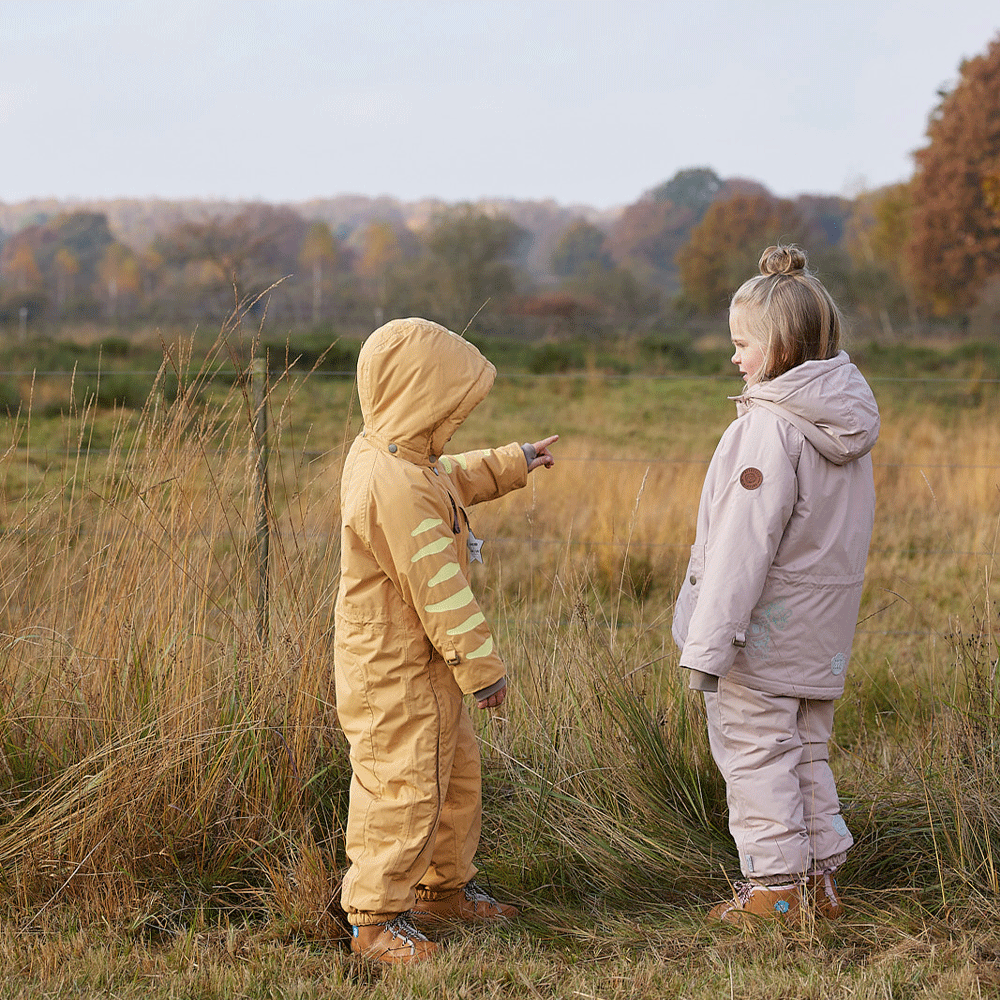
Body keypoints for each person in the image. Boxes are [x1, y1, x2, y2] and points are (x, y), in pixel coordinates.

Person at [335, 316, 558, 963]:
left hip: (424, 666)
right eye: (452, 407)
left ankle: (442, 890)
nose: (456, 421)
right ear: (417, 397)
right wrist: (482, 669)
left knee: (453, 779)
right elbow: (437, 587)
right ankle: (374, 921)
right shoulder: (392, 484)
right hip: (394, 671)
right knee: (401, 786)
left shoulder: (409, 462)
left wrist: (511, 462)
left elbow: (450, 477)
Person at [671, 245, 879, 923]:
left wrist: (707, 648)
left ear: (779, 345)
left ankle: (775, 890)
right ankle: (821, 882)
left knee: (756, 755)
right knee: (806, 753)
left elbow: (740, 552)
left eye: (742, 345)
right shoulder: (843, 428)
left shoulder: (767, 431)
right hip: (821, 638)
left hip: (760, 638)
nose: (734, 359)